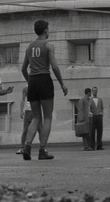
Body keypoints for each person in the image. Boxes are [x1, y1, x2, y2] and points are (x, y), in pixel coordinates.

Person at [21, 19, 68, 160]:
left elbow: (23, 69)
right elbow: (54, 66)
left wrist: (30, 82)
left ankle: (27, 146)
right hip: (44, 79)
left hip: (33, 81)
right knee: (47, 117)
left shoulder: (29, 47)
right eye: (49, 29)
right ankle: (42, 150)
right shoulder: (48, 45)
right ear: (46, 30)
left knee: (36, 117)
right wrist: (62, 83)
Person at [16, 86, 41, 154]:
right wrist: (21, 110)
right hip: (28, 110)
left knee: (40, 129)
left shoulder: (39, 86)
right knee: (25, 130)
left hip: (37, 109)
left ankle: (43, 147)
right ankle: (22, 147)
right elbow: (23, 99)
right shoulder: (26, 88)